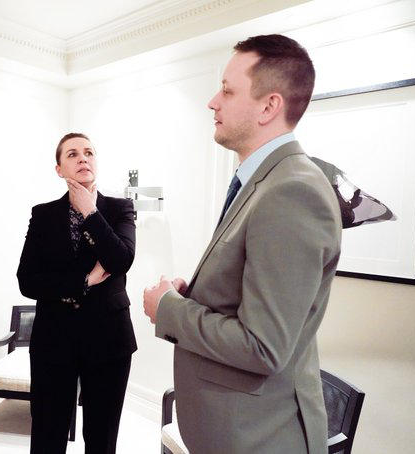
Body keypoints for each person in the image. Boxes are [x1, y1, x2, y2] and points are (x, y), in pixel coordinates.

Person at [142, 35, 342, 454]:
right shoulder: (266, 181)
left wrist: (169, 309)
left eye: (227, 91)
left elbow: (263, 346)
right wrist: (194, 297)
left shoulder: (291, 191)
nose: (212, 102)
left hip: (259, 437)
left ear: (269, 107)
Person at [17, 132, 137, 454]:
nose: (83, 158)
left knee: (101, 439)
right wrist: (84, 280)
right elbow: (27, 280)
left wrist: (90, 213)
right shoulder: (43, 214)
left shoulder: (120, 208)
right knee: (47, 434)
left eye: (88, 152)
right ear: (59, 169)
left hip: (109, 339)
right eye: (72, 154)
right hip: (54, 339)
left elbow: (121, 260)